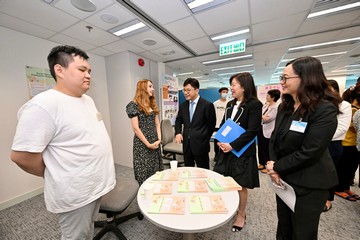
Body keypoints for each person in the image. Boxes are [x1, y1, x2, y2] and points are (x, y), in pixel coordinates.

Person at [10, 45, 116, 239]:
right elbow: (21, 156)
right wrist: (53, 171)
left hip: (96, 186)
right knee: (76, 236)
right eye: (82, 70)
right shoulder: (43, 105)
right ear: (59, 70)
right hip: (75, 194)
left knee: (88, 230)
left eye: (89, 71)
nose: (88, 75)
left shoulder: (87, 100)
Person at [266, 56, 341, 240]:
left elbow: (310, 152)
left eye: (285, 78)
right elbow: (274, 139)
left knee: (302, 233)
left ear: (306, 78)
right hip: (284, 180)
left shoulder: (324, 110)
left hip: (309, 183)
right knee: (284, 227)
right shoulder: (287, 106)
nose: (281, 82)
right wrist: (274, 166)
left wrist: (277, 167)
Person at [215, 72, 262, 232]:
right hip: (226, 149)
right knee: (226, 181)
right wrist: (220, 140)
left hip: (241, 151)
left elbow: (253, 130)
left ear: (244, 86)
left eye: (234, 84)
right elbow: (224, 124)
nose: (231, 88)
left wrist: (232, 145)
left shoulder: (255, 104)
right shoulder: (229, 104)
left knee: (240, 185)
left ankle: (241, 214)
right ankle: (228, 206)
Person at [126, 79, 163, 185]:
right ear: (143, 89)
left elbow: (157, 124)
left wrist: (159, 139)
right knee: (144, 172)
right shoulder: (133, 105)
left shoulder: (152, 104)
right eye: (150, 86)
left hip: (155, 143)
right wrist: (148, 145)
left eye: (152, 86)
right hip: (142, 144)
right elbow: (135, 128)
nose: (153, 89)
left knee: (155, 170)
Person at [175, 78, 216, 169]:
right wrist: (178, 132)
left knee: (203, 171)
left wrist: (204, 137)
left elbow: (211, 125)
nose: (185, 93)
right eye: (184, 90)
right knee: (188, 170)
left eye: (188, 90)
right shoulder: (183, 106)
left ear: (197, 90)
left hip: (201, 145)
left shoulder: (207, 105)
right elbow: (178, 121)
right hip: (187, 145)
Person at [323, 80, 351, 212]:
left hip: (332, 144)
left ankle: (328, 199)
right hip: (317, 143)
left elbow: (341, 128)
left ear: (335, 90)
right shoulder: (319, 105)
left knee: (330, 174)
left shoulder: (344, 105)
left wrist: (318, 136)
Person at [334, 85, 360, 201]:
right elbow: (352, 127)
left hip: (354, 144)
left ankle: (346, 187)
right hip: (346, 143)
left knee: (351, 168)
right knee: (343, 168)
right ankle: (339, 188)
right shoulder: (351, 109)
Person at [257, 89, 281, 173]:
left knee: (267, 149)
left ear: (273, 97)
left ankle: (267, 166)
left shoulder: (276, 108)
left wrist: (261, 116)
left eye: (268, 95)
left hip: (268, 130)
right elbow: (262, 115)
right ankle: (261, 163)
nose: (266, 97)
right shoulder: (266, 105)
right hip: (261, 128)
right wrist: (262, 116)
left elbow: (267, 119)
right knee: (260, 147)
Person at [213, 87, 229, 157]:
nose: (225, 93)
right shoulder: (215, 103)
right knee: (217, 142)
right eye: (223, 92)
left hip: (226, 126)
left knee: (225, 142)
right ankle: (216, 155)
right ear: (220, 93)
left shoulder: (229, 103)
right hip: (217, 126)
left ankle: (224, 156)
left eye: (226, 92)